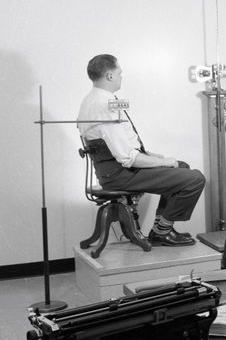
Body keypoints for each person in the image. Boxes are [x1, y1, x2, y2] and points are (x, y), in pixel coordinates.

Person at [76, 54, 205, 247]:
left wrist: (151, 156)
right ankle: (162, 231)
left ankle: (162, 229)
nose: (121, 76)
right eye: (119, 73)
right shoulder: (104, 105)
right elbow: (128, 158)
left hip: (111, 170)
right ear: (110, 76)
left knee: (182, 166)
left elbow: (120, 144)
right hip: (120, 173)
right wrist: (163, 162)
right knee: (195, 179)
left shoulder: (91, 100)